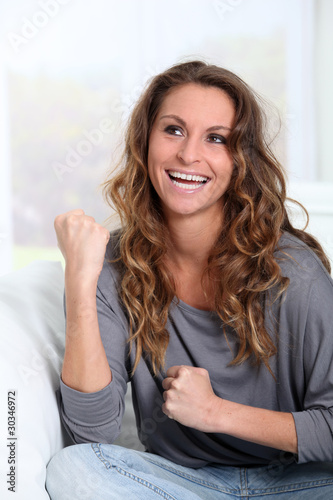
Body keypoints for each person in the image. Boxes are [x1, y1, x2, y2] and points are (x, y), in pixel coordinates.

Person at [46, 60, 333, 499]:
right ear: (145, 143)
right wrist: (81, 283)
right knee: (74, 468)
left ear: (240, 161)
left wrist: (216, 412)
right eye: (174, 130)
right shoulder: (112, 264)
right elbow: (92, 431)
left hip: (297, 484)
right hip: (182, 485)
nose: (188, 155)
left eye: (216, 138)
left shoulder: (294, 271)